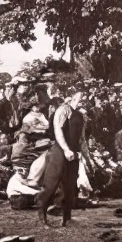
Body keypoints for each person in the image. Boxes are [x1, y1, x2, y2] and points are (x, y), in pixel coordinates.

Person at [36, 86, 86, 228]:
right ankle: (42, 215)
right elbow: (58, 131)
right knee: (51, 184)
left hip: (74, 152)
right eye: (81, 97)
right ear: (73, 98)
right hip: (59, 151)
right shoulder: (63, 110)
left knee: (70, 185)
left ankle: (67, 218)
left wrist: (84, 154)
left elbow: (82, 137)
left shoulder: (80, 115)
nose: (84, 100)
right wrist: (65, 149)